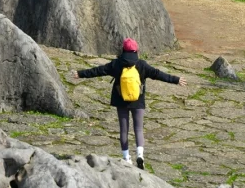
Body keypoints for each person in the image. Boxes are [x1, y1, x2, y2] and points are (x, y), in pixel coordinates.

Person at [68, 37, 184, 169]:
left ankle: (126, 158)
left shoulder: (116, 64)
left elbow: (98, 71)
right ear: (136, 50)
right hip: (137, 101)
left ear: (123, 50)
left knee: (124, 130)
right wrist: (176, 79)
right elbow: (158, 74)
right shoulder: (141, 65)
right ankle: (140, 155)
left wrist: (80, 74)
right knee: (138, 128)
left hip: (121, 100)